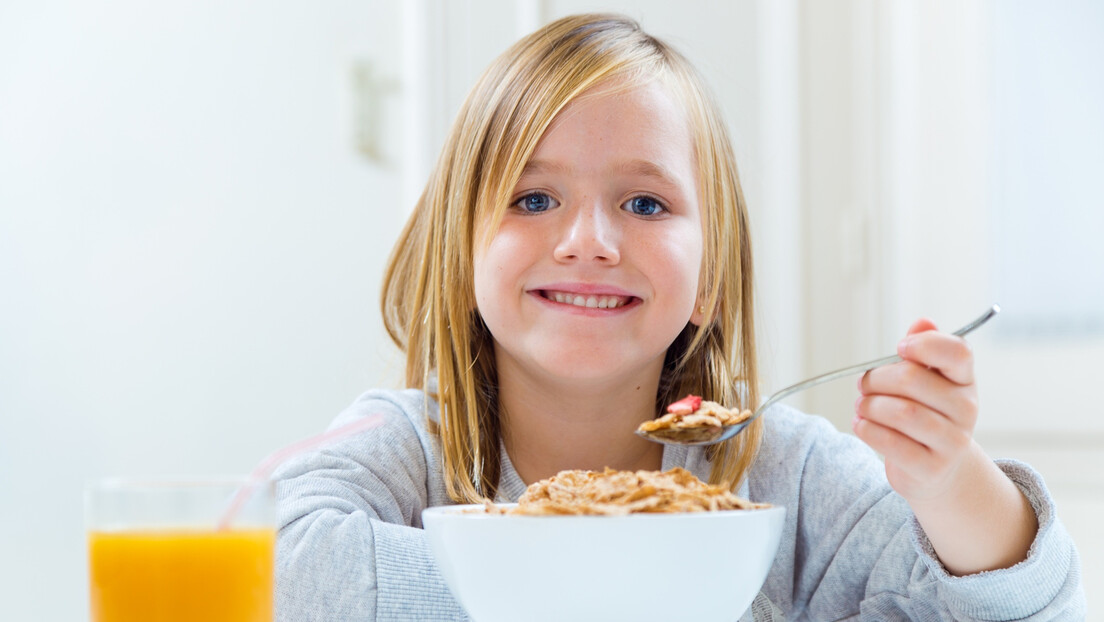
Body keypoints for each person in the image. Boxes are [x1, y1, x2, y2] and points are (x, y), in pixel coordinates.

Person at [274, 13, 1084, 621]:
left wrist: (950, 482)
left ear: (711, 281)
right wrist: (636, 579)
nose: (588, 241)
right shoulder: (405, 449)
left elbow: (1031, 608)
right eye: (533, 198)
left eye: (644, 202)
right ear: (462, 255)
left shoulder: (784, 475)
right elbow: (279, 568)